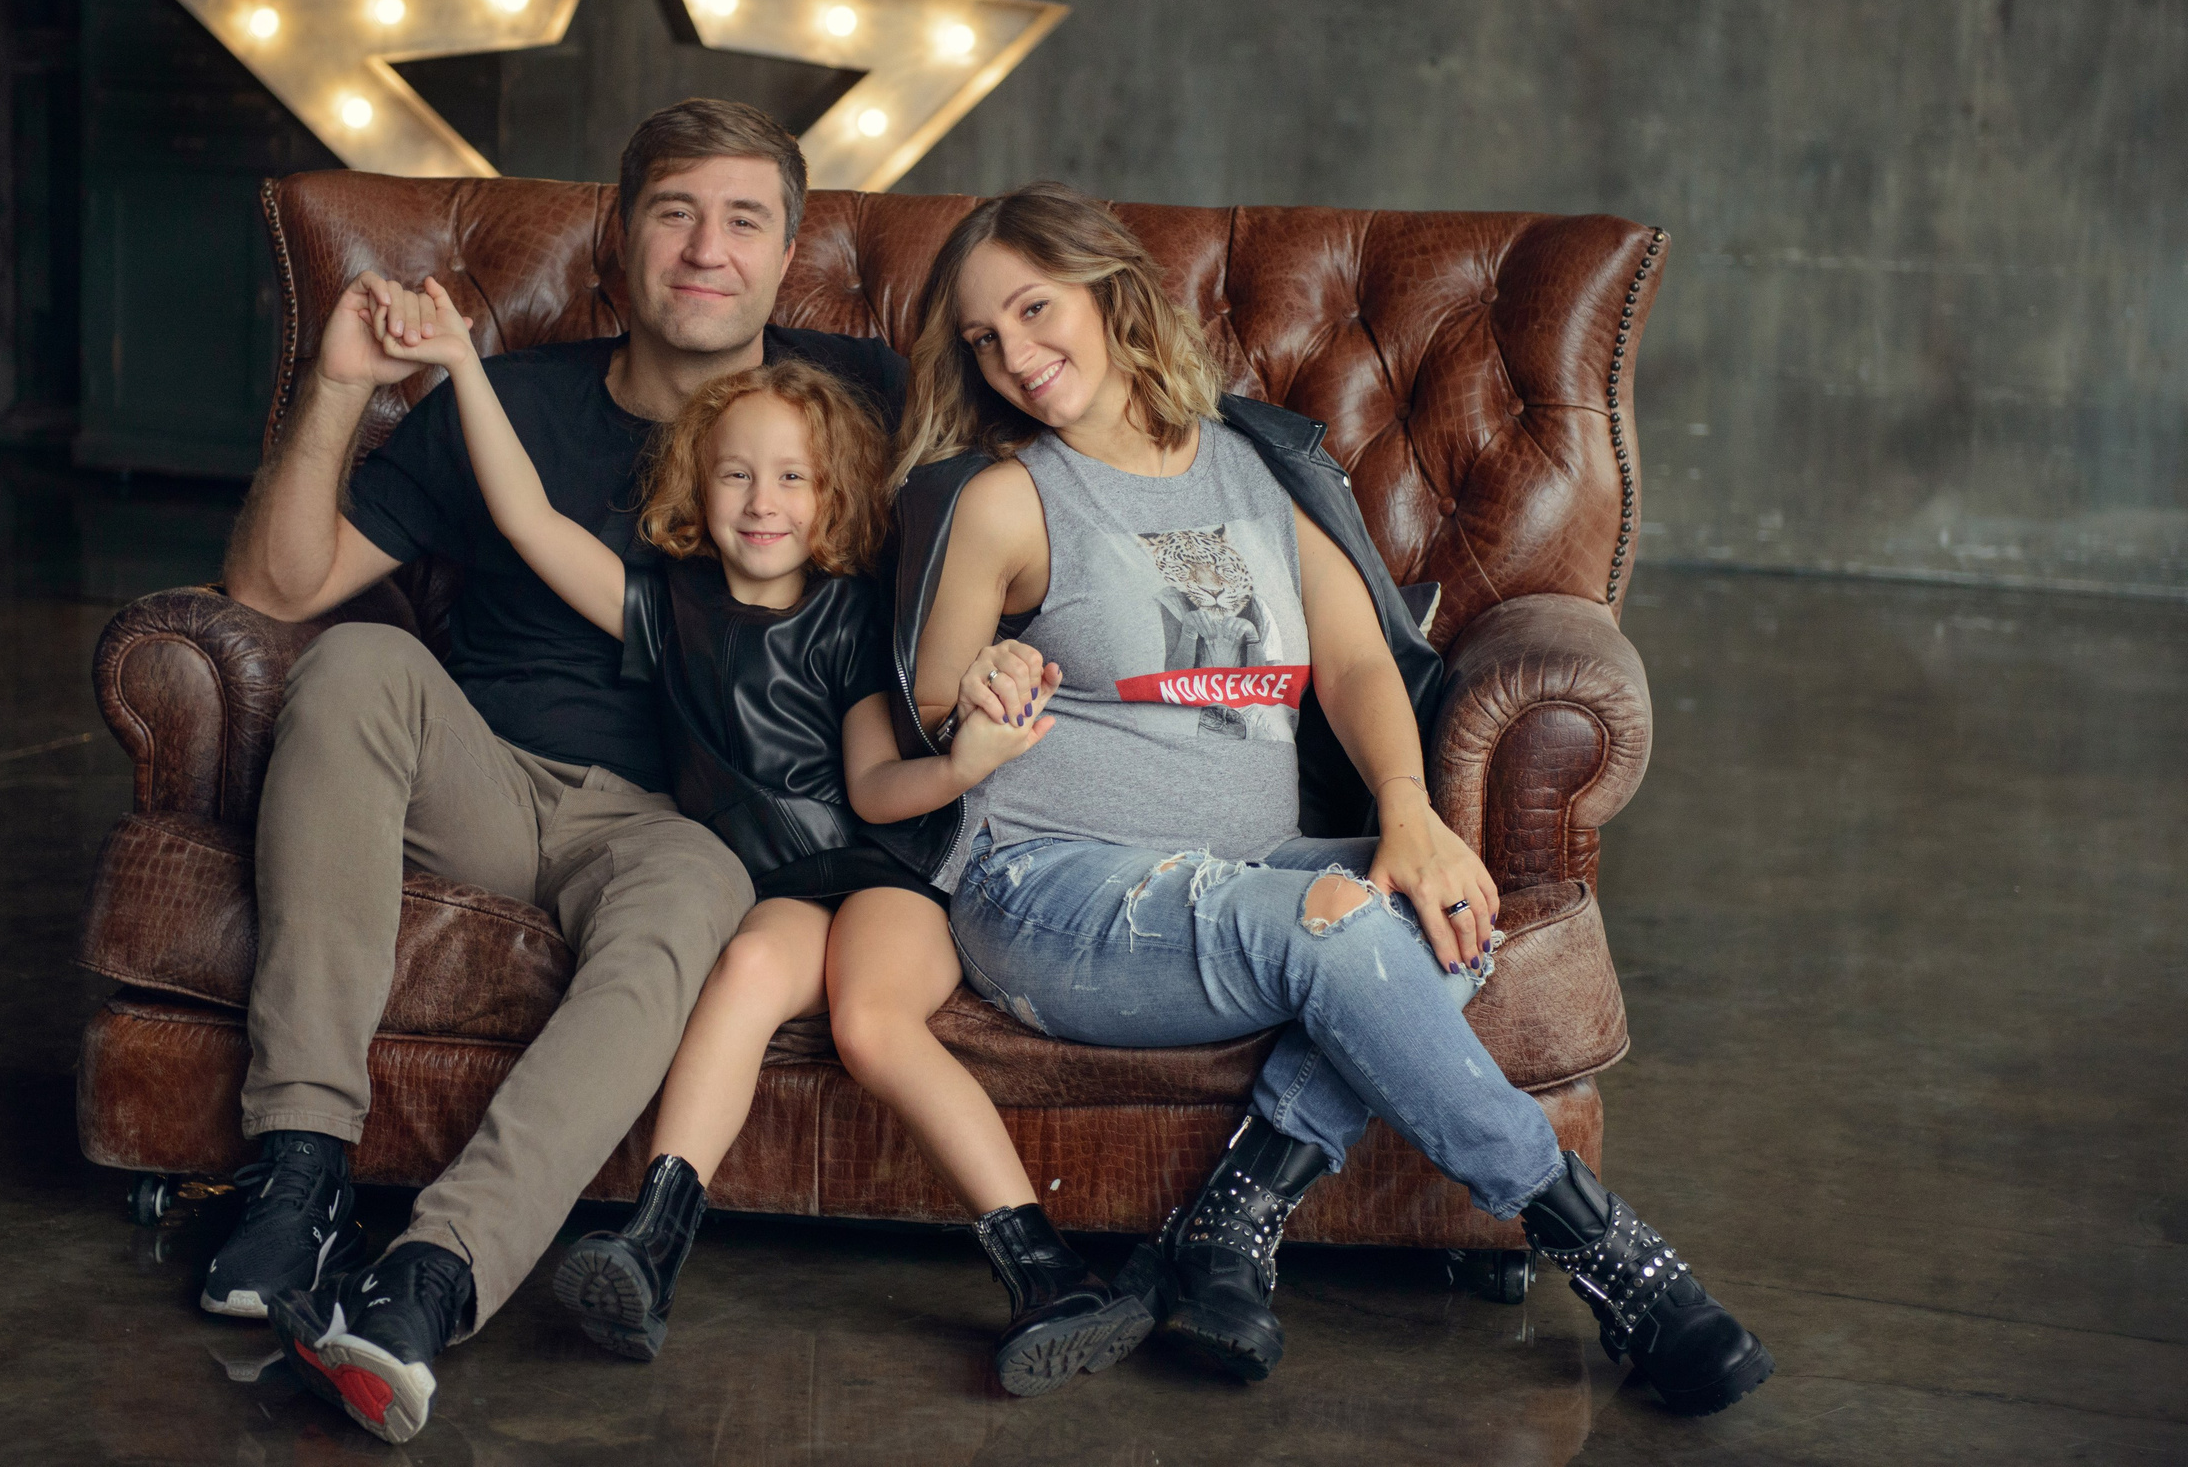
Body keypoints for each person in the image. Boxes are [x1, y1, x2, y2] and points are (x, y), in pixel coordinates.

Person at [890, 181, 1775, 1416]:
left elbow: (1357, 663)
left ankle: (1228, 1217)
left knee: (1451, 895)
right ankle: (1609, 1253)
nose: (1016, 354)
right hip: (1050, 889)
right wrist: (981, 679)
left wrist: (1409, 816)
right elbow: (931, 699)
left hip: (1255, 862)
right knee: (1346, 920)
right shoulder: (1007, 497)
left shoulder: (1256, 467)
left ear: (1109, 291)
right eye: (984, 338)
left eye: (1035, 310)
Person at [206, 100, 900, 1446]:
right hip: (481, 774)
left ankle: (433, 1276)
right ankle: (298, 1171)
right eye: (674, 213)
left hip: (672, 826)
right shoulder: (517, 399)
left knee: (692, 909)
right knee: (348, 666)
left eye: (744, 218)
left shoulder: (856, 398)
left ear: (790, 252)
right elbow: (271, 588)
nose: (708, 248)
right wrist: (343, 384)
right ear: (617, 240)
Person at [339, 300, 1149, 1397]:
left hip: (878, 868)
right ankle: (653, 1244)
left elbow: (873, 786)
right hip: (769, 886)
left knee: (868, 1017)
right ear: (692, 488)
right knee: (743, 969)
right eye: (735, 477)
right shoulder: (664, 612)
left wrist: (964, 766)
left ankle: (1047, 1270)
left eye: (792, 479)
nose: (762, 503)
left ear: (833, 498)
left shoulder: (850, 617)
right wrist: (454, 363)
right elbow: (528, 518)